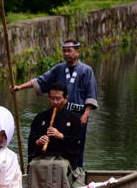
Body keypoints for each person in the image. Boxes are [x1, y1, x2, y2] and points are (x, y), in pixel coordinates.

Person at [10, 39, 97, 168]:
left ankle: (78, 172)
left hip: (78, 115)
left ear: (77, 52)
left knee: (77, 146)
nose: (66, 54)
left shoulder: (86, 70)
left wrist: (86, 114)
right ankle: (56, 169)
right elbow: (41, 80)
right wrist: (20, 87)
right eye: (64, 51)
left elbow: (90, 93)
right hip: (60, 114)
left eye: (69, 51)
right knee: (57, 143)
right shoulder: (59, 69)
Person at [26, 83, 85, 188]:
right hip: (43, 155)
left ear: (66, 99)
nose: (55, 102)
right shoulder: (40, 117)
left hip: (63, 157)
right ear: (48, 97)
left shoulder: (73, 119)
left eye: (58, 99)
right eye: (52, 98)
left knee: (59, 166)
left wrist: (61, 136)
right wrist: (38, 142)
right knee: (33, 165)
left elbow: (76, 141)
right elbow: (32, 140)